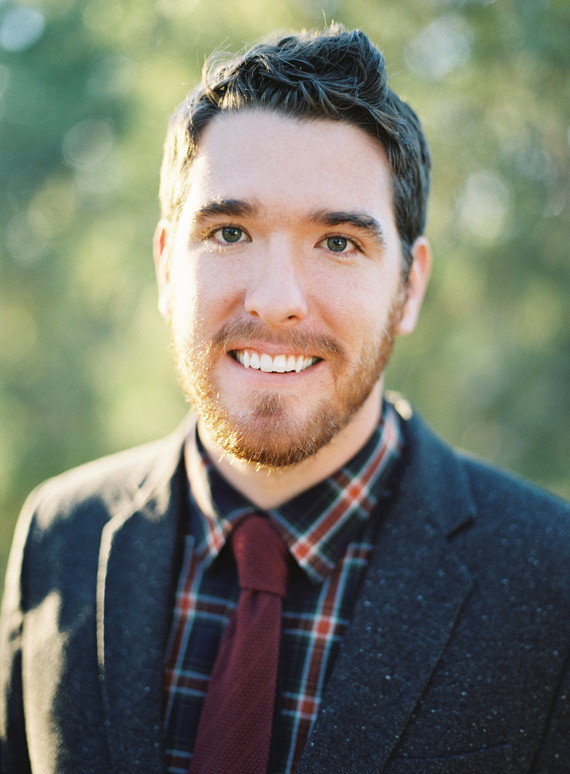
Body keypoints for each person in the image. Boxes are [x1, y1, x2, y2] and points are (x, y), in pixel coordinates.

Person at [1, 24, 568, 774]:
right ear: (168, 267)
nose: (276, 301)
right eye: (230, 231)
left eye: (338, 242)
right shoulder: (58, 536)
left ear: (410, 287)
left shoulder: (550, 579)